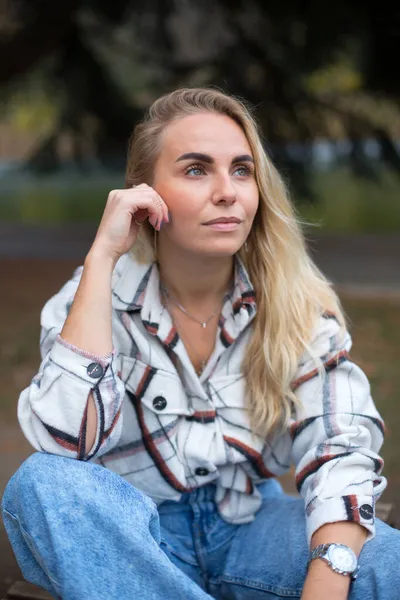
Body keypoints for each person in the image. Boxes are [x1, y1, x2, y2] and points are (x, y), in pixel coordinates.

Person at [1, 87, 399, 600]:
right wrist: (102, 257)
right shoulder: (90, 300)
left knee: (387, 562)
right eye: (195, 169)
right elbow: (65, 447)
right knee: (41, 485)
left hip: (252, 527)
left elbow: (340, 448)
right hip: (136, 537)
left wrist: (330, 572)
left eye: (241, 169)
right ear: (145, 195)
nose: (227, 191)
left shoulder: (297, 304)